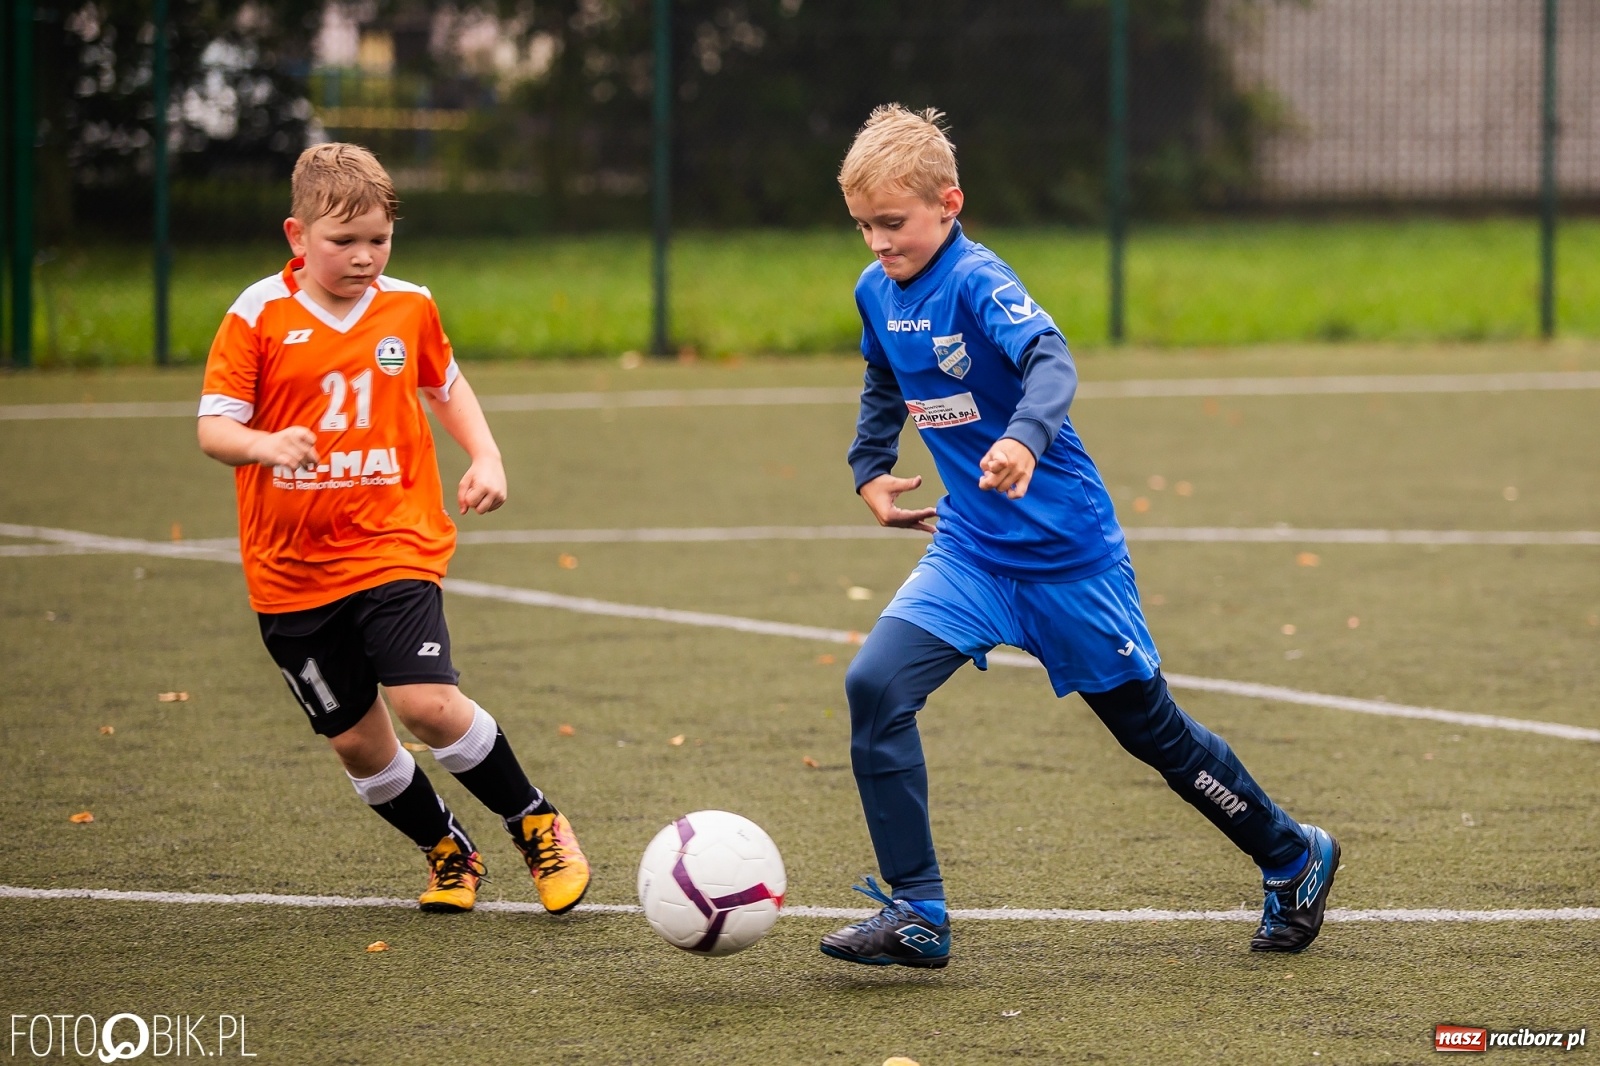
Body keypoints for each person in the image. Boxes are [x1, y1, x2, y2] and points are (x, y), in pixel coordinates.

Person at [820, 105, 1337, 969]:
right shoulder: (877, 291)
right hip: (972, 554)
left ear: (949, 204)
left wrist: (1024, 439)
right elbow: (883, 373)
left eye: (893, 222)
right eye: (864, 226)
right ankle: (918, 911)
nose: (878, 243)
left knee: (1151, 733)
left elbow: (1051, 360)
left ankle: (1292, 855)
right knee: (874, 686)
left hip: (1066, 557)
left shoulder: (980, 281)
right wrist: (871, 465)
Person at [196, 142, 589, 916]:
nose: (364, 256)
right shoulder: (257, 315)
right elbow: (215, 428)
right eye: (343, 240)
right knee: (357, 743)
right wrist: (264, 446)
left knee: (425, 703)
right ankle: (447, 848)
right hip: (289, 572)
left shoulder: (409, 306)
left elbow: (444, 384)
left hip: (393, 541)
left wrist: (486, 455)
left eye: (378, 239)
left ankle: (534, 821)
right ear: (296, 235)